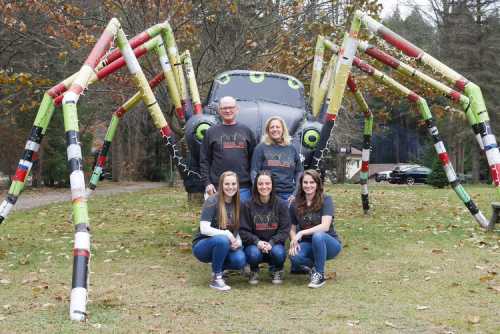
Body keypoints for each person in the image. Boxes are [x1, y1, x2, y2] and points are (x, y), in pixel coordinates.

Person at [192, 171, 246, 291]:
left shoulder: (239, 204)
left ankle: (218, 265)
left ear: (237, 186)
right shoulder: (212, 201)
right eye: (227, 184)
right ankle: (216, 278)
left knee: (240, 260)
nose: (230, 187)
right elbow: (204, 228)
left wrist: (238, 242)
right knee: (222, 240)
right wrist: (226, 234)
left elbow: (238, 231)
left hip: (224, 245)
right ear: (221, 185)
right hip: (202, 246)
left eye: (233, 184)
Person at [288, 169, 341, 288]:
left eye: (312, 182)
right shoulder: (295, 203)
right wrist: (293, 240)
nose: (308, 185)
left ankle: (319, 275)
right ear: (301, 184)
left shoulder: (326, 200)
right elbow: (291, 228)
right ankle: (315, 268)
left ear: (317, 184)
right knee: (294, 256)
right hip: (308, 243)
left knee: (318, 235)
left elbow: (325, 226)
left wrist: (301, 232)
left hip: (329, 242)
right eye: (305, 182)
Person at [200, 96, 257, 202]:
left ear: (237, 109)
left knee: (242, 218)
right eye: (224, 108)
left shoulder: (247, 131)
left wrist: (254, 183)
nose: (228, 110)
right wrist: (207, 183)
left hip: (243, 188)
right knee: (219, 218)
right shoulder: (211, 132)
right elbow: (204, 160)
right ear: (219, 110)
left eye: (231, 107)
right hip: (217, 188)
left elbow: (254, 160)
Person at [239, 170, 290, 285]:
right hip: (254, 246)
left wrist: (272, 242)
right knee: (253, 254)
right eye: (260, 184)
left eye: (267, 183)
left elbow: (284, 230)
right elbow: (243, 230)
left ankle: (276, 269)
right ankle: (254, 270)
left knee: (279, 253)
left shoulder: (281, 204)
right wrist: (257, 242)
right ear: (256, 186)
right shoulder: (247, 205)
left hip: (274, 245)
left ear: (272, 185)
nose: (264, 187)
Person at [250, 116, 303, 202]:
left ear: (283, 129)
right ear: (268, 131)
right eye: (272, 127)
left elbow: (299, 172)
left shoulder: (291, 148)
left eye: (278, 127)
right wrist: (261, 194)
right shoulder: (261, 148)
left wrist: (295, 194)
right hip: (268, 195)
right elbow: (254, 172)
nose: (275, 129)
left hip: (288, 195)